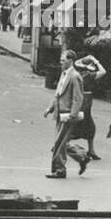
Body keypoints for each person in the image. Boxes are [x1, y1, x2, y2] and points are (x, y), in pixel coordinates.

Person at [43, 50, 87, 178]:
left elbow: (77, 98)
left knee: (59, 143)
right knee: (62, 142)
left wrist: (72, 115)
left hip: (67, 115)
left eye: (63, 60)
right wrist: (50, 108)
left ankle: (60, 170)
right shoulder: (64, 74)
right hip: (59, 113)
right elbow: (58, 94)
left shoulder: (75, 76)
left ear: (70, 60)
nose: (61, 62)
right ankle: (82, 157)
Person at [73, 53, 105, 163]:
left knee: (86, 126)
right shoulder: (87, 76)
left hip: (83, 102)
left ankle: (91, 150)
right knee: (83, 126)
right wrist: (96, 61)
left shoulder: (76, 74)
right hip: (84, 102)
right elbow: (103, 71)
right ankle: (61, 145)